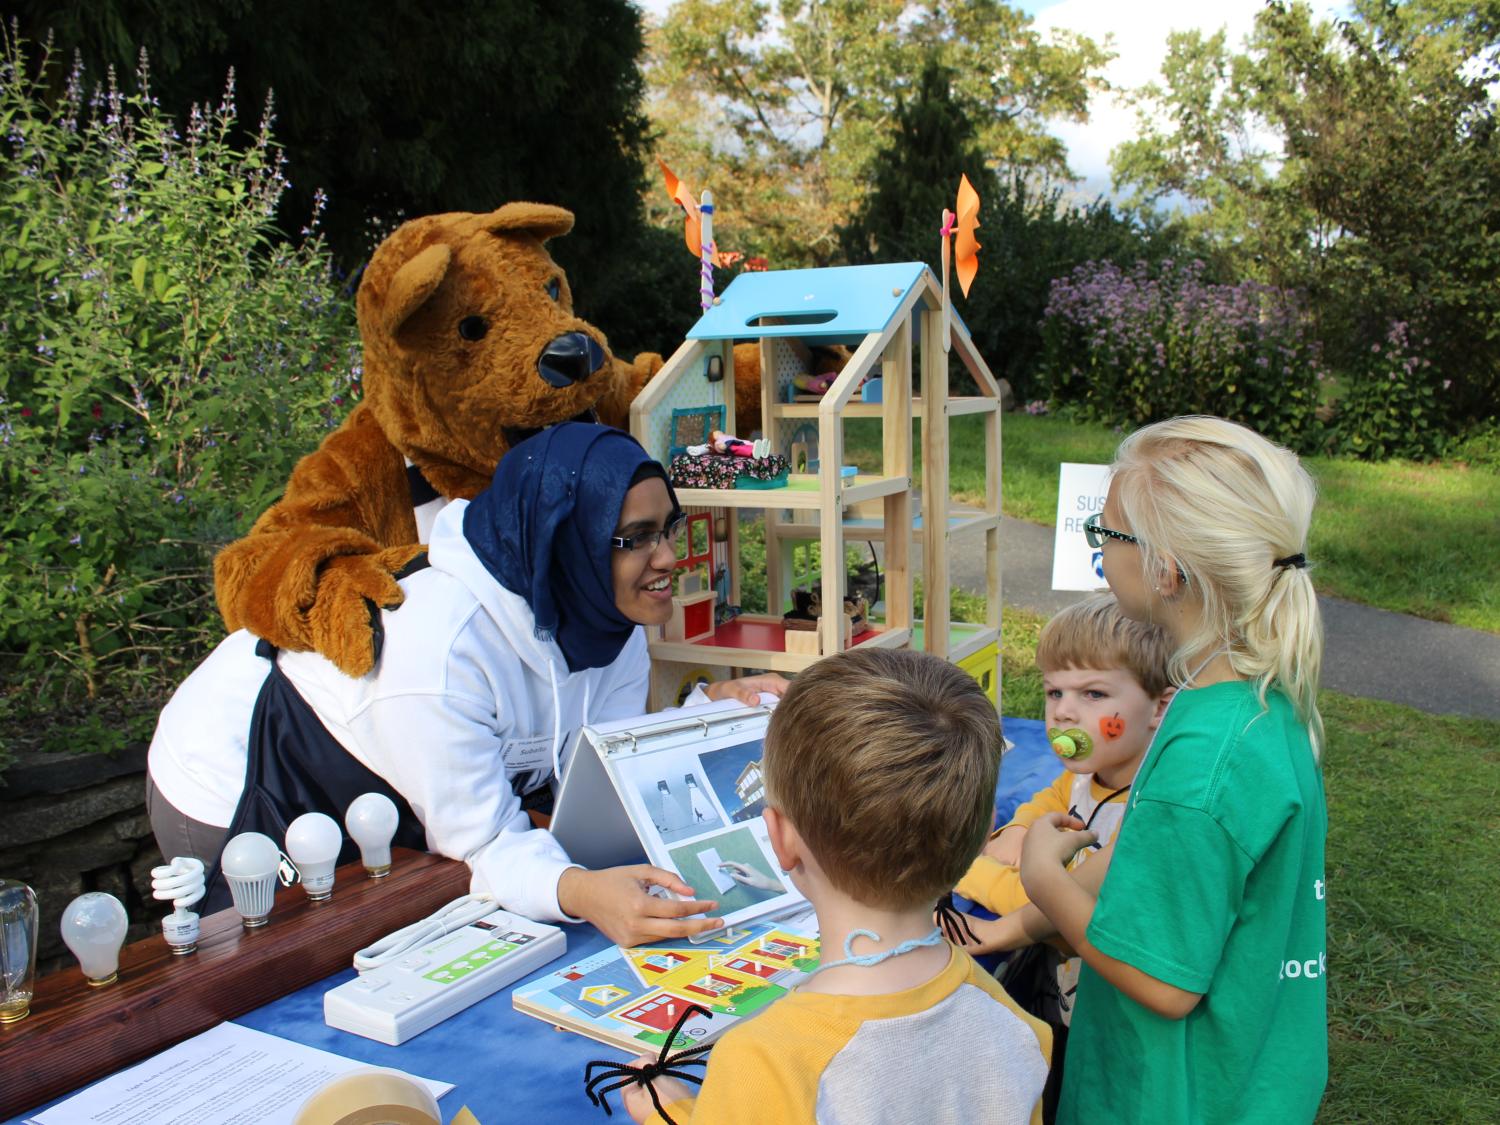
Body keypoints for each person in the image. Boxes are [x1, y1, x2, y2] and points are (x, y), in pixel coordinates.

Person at [146, 423, 783, 945]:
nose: (669, 556)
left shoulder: (603, 615)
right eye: (636, 538)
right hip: (247, 765)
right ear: (567, 543)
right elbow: (480, 845)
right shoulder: (443, 653)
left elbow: (598, 767)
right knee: (271, 955)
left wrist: (701, 715)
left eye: (668, 527)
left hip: (386, 775)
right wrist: (582, 893)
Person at [993, 416, 1328, 1123]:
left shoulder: (1202, 763)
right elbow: (1159, 871)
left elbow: (1159, 980)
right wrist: (1020, 920)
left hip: (1172, 1095)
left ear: (1166, 568)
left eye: (1106, 534)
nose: (1098, 549)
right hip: (1249, 1071)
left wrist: (1045, 877)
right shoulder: (1256, 699)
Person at [622, 647, 1053, 1125]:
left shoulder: (765, 1060)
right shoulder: (1015, 1023)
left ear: (779, 838)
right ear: (980, 835)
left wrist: (669, 1112)